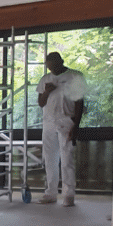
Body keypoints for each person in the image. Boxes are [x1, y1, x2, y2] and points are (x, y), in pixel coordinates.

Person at [36, 51, 86, 206]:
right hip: (49, 122)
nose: (52, 70)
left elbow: (79, 102)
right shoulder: (45, 79)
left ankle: (68, 194)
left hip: (67, 120)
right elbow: (41, 103)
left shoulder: (75, 76)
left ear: (62, 62)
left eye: (54, 66)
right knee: (50, 158)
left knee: (67, 159)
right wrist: (47, 91)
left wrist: (76, 126)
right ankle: (50, 193)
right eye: (49, 67)